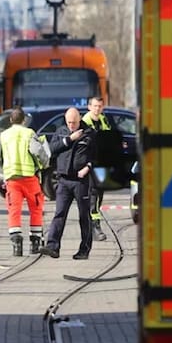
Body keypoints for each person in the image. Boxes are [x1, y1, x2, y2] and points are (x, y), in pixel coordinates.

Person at [40, 107, 96, 260]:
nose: (72, 125)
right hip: (64, 180)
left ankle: (84, 249)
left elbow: (97, 156)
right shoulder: (61, 132)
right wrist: (69, 139)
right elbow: (51, 150)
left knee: (84, 216)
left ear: (80, 119)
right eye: (69, 122)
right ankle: (53, 246)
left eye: (74, 122)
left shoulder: (89, 133)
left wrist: (88, 168)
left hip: (81, 181)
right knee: (59, 213)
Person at [0, 107, 46, 256]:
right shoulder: (29, 133)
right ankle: (35, 241)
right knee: (36, 208)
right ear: (24, 120)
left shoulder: (4, 135)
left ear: (10, 120)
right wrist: (44, 163)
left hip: (12, 180)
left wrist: (6, 165)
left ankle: (16, 241)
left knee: (14, 210)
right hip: (29, 178)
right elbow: (38, 151)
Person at [81, 95, 111, 241]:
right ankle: (94, 226)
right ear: (89, 107)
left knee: (98, 195)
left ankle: (92, 225)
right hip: (89, 165)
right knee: (92, 195)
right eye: (95, 106)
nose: (97, 109)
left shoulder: (104, 120)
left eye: (100, 106)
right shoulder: (84, 122)